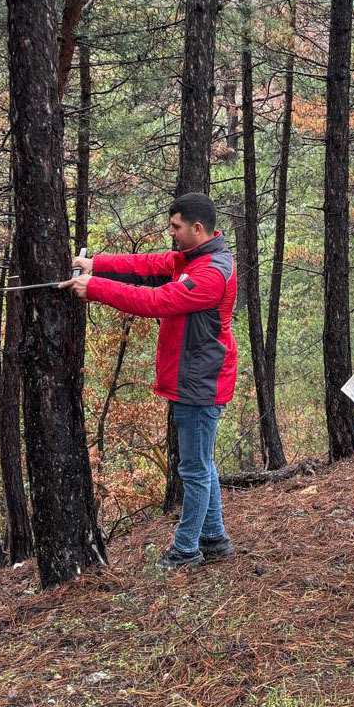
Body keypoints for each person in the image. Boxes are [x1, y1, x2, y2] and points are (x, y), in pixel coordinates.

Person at [61, 192, 237, 571]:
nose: (170, 233)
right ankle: (214, 539)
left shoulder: (210, 273)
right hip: (194, 378)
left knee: (193, 469)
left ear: (197, 228)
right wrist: (96, 264)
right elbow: (147, 264)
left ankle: (187, 549)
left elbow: (157, 301)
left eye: (175, 227)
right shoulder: (193, 259)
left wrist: (95, 287)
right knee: (201, 464)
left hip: (201, 383)